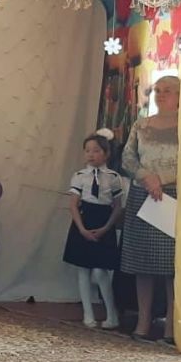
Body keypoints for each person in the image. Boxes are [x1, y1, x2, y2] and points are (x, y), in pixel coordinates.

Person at [120, 75, 179, 346]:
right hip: (143, 195)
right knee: (142, 263)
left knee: (172, 266)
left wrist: (162, 180)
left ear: (180, 96)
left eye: (167, 90)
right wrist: (147, 177)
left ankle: (171, 326)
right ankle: (143, 322)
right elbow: (127, 157)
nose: (161, 94)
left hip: (174, 196)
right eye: (157, 90)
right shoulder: (141, 124)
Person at [63, 130, 122, 329]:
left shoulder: (113, 178)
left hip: (103, 220)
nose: (91, 154)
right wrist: (81, 228)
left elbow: (117, 207)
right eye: (87, 150)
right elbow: (73, 205)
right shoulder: (79, 176)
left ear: (106, 153)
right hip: (84, 220)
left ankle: (111, 314)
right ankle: (88, 314)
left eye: (96, 150)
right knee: (83, 270)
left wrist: (106, 227)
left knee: (100, 270)